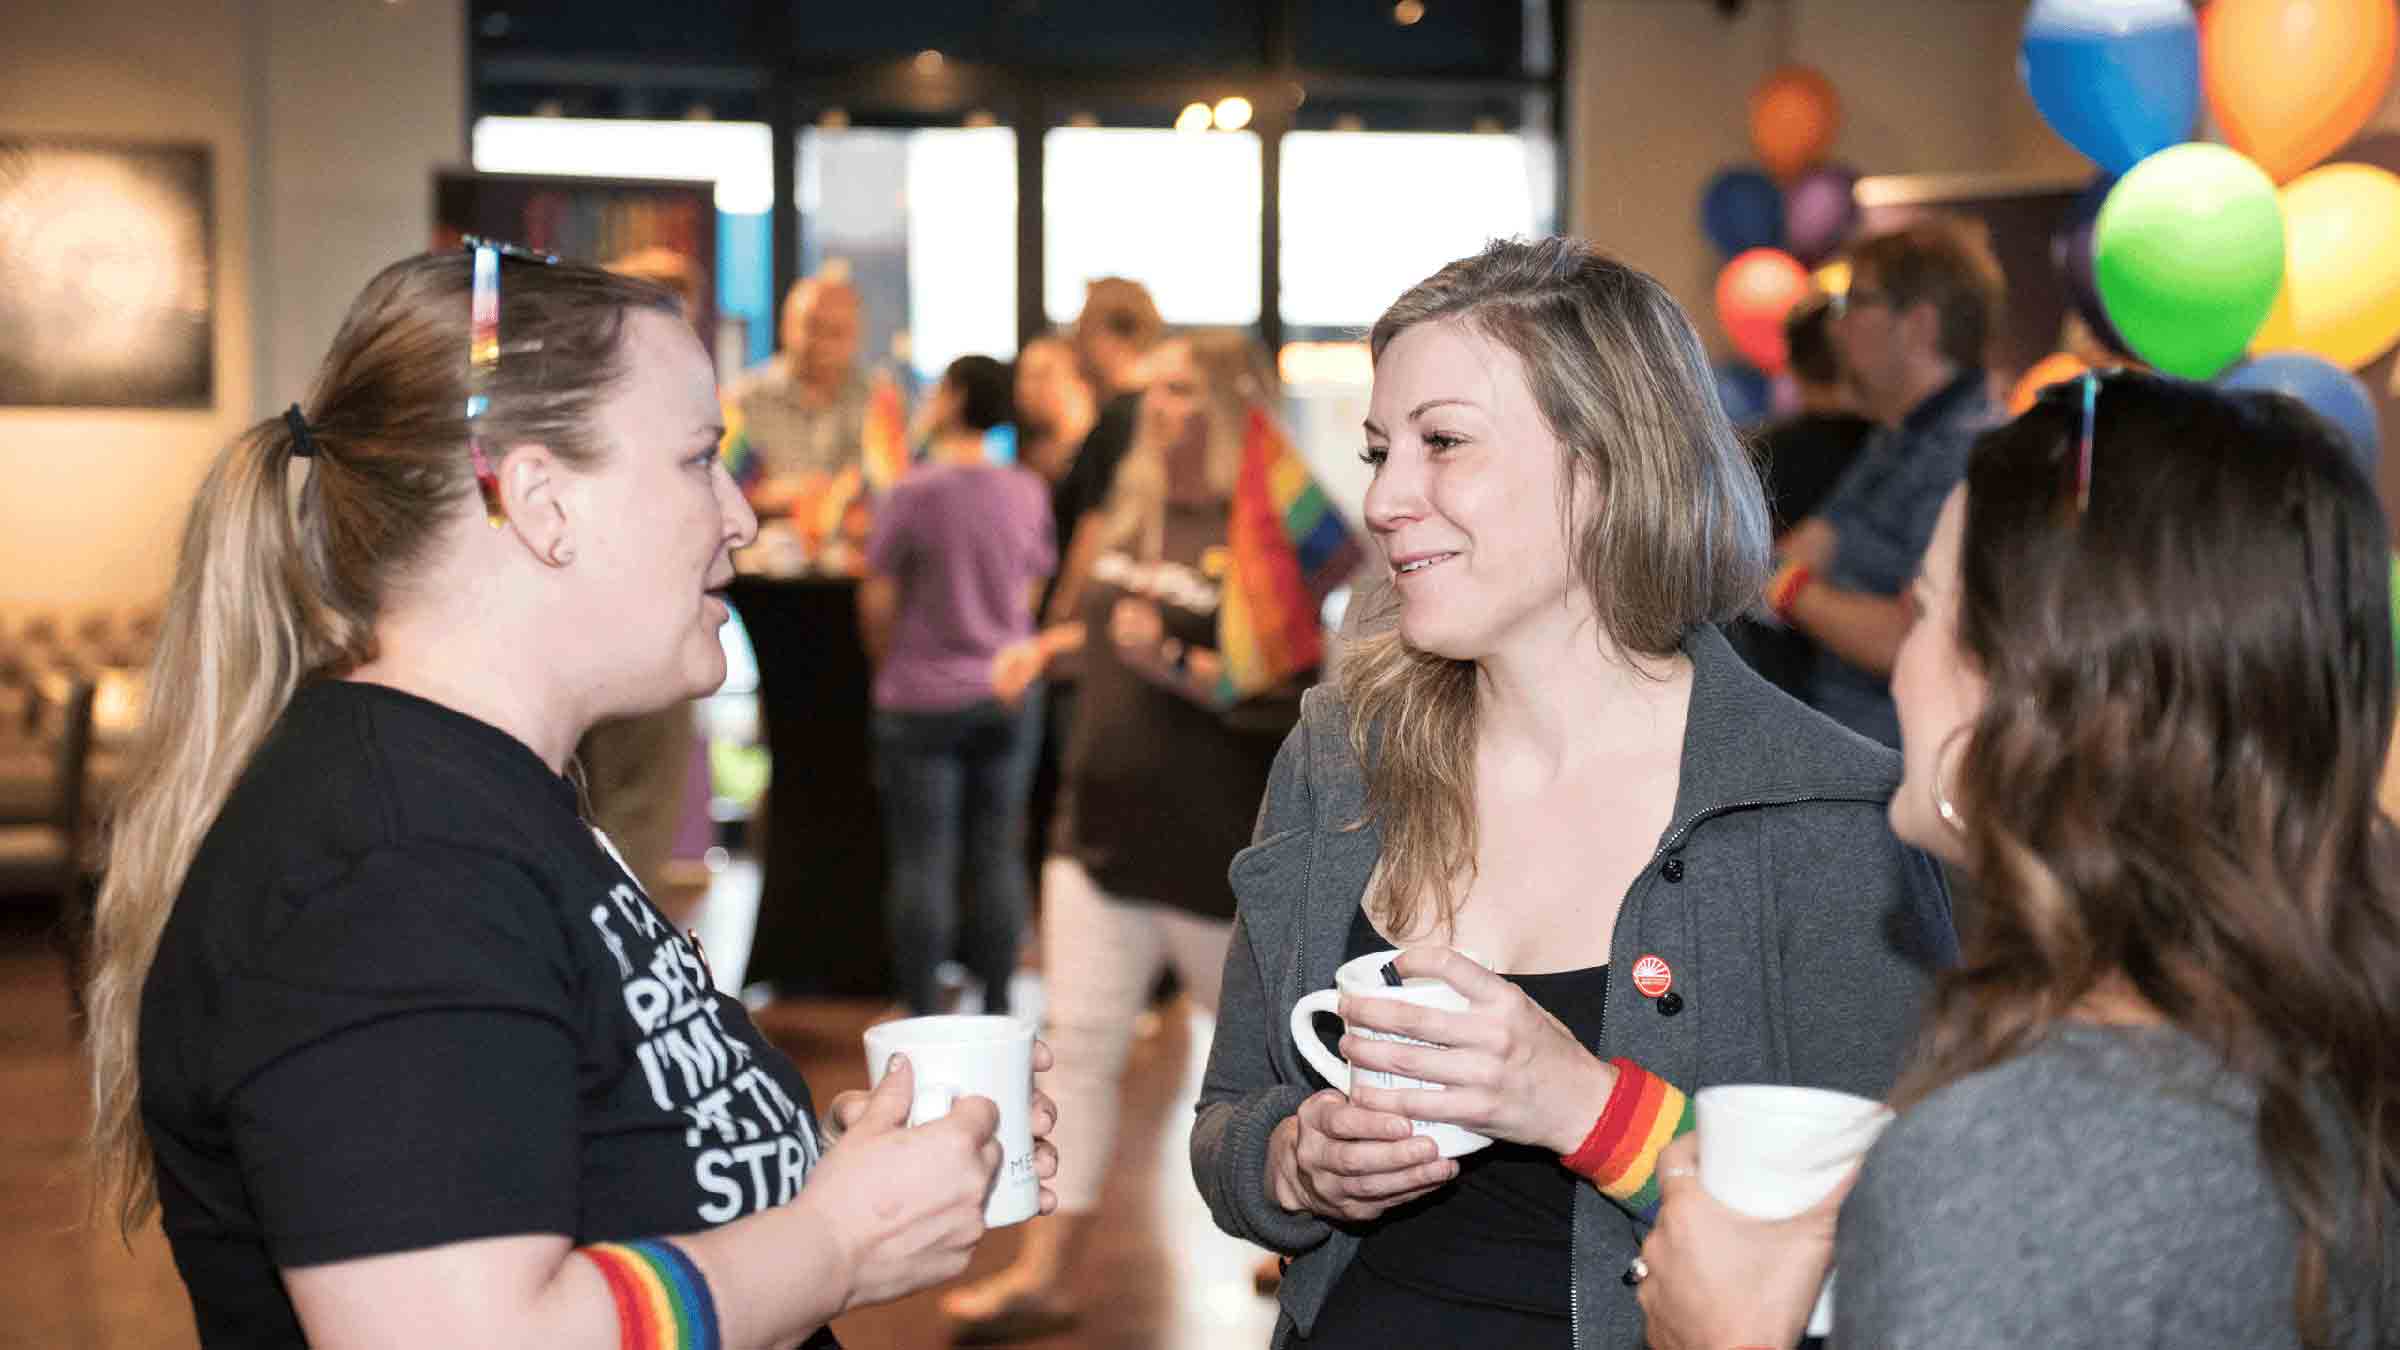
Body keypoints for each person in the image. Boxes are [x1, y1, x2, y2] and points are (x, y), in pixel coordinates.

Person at [82, 247, 1056, 1348]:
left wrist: (809, 1178)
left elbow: (575, 1159)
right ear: (541, 501)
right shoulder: (398, 870)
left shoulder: (483, 801)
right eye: (699, 460)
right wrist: (830, 1242)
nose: (738, 516)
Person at [1189, 237, 1957, 1350]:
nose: (1388, 499)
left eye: (1443, 442)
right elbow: (1225, 1123)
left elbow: (1894, 1242)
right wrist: (1296, 1163)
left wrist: (1588, 1109)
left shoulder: (1825, 814)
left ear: (1605, 468)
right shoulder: (1337, 756)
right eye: (1378, 450)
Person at [1636, 373, 2400, 1349]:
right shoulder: (2326, 1051)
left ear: (2027, 698)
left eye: (1925, 610)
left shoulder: (2016, 1164)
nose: (1904, 662)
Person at [941, 331, 1308, 1340]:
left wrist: (1178, 670)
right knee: (1078, 1049)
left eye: (1183, 389)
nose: (1160, 408)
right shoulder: (1132, 503)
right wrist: (1051, 648)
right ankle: (1046, 1270)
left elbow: (1296, 690)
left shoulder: (1279, 524)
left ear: (1234, 402)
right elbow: (1110, 625)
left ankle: (1308, 1243)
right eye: (1155, 389)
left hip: (1217, 854)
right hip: (1095, 832)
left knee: (1273, 1060)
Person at [859, 353, 1054, 1018]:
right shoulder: (1026, 489)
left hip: (919, 697)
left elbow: (878, 600)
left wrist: (891, 660)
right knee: (999, 852)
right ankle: (999, 1006)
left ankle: (922, 1012)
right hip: (1005, 690)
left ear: (957, 396)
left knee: (923, 860)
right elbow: (1031, 590)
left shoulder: (912, 492)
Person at [1769, 219, 2004, 747]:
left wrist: (1787, 590)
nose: (1837, 327)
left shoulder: (1976, 454)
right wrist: (1786, 581)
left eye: (1857, 302)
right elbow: (1809, 546)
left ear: (1918, 325)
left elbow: (1912, 638)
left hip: (1899, 778)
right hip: (1843, 746)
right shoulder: (1897, 434)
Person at [1730, 294, 1875, 704]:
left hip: (1774, 684)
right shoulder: (1892, 454)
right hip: (1877, 698)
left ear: (1790, 366)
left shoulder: (1749, 460)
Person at [725, 269, 870, 516]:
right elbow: (717, 497)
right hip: (767, 544)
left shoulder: (877, 402)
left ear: (856, 335)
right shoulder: (741, 402)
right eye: (813, 327)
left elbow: (897, 487)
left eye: (837, 332)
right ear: (787, 326)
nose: (824, 343)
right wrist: (780, 497)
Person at [1013, 333, 1097, 488]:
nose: (1024, 388)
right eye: (1022, 377)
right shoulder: (1026, 459)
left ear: (1081, 381)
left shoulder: (1101, 456)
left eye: (1041, 376)